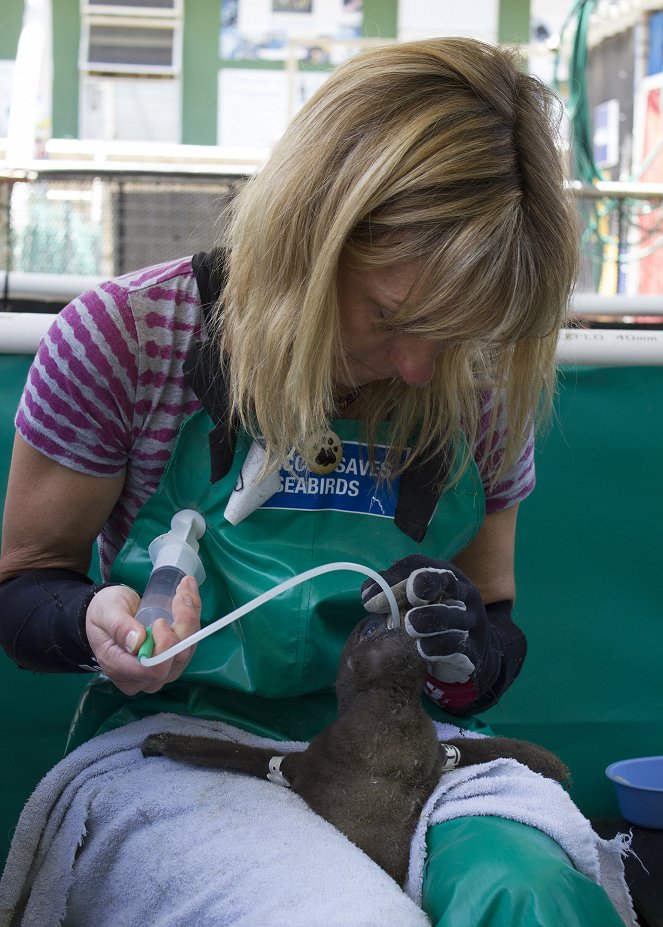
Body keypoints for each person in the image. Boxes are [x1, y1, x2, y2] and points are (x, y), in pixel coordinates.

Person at [0, 36, 628, 927]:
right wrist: (89, 619)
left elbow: (493, 613)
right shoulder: (124, 339)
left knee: (534, 895)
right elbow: (26, 586)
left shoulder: (478, 377)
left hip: (400, 742)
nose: (418, 370)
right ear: (309, 230)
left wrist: (468, 650)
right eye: (390, 316)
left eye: (452, 334)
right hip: (183, 746)